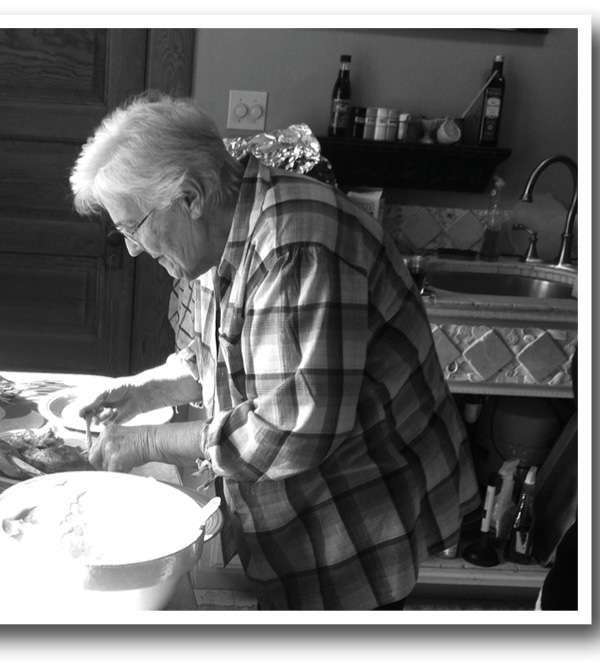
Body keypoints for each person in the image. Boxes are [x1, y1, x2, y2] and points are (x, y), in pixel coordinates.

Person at [69, 91, 480, 610]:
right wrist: (142, 392)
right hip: (301, 510)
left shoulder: (294, 244)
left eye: (133, 226)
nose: (132, 248)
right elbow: (217, 354)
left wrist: (150, 441)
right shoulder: (221, 235)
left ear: (190, 198)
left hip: (357, 515)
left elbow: (297, 428)